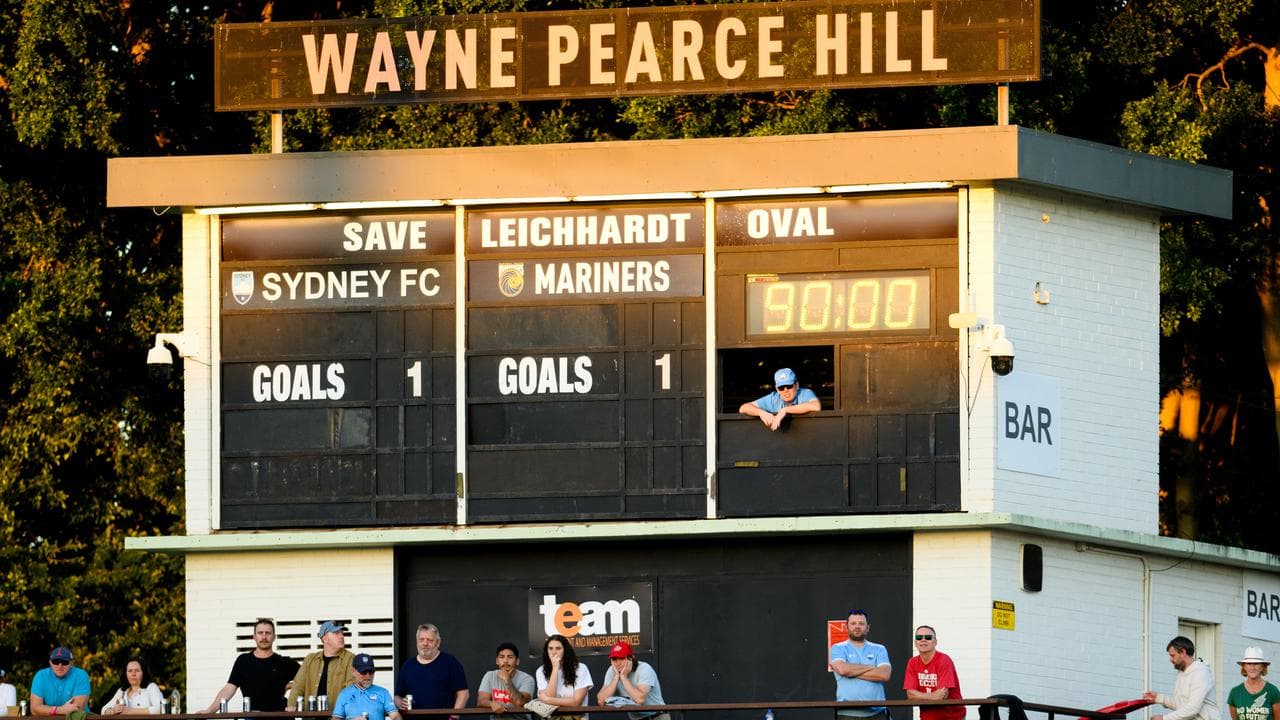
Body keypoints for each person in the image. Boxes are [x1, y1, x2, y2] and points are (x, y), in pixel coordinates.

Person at [205, 618, 300, 712]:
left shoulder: (285, 662)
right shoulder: (243, 661)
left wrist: (291, 686)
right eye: (260, 633)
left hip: (280, 716)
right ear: (254, 636)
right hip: (252, 716)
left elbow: (308, 681)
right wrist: (209, 711)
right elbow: (229, 688)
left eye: (268, 633)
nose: (264, 637)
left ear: (274, 637)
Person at [829, 609, 892, 720]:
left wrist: (851, 672)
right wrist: (872, 667)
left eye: (861, 623)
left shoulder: (879, 649)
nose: (857, 626)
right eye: (853, 623)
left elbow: (884, 675)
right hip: (847, 714)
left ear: (868, 627)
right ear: (846, 627)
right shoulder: (837, 648)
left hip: (877, 713)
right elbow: (843, 670)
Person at [394, 624, 469, 712]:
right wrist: (400, 703)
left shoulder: (450, 662)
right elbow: (397, 696)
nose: (425, 643)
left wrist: (454, 717)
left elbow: (463, 694)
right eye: (421, 640)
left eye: (430, 640)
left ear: (438, 643)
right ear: (417, 642)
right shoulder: (408, 666)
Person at [1145, 636, 1221, 720]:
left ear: (1183, 652)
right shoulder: (1182, 673)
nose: (1170, 659)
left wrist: (1164, 718)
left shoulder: (1201, 672)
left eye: (1172, 655)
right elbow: (1181, 706)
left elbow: (1192, 709)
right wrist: (1158, 698)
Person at [289, 621, 356, 710]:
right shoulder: (310, 659)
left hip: (337, 716)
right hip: (311, 716)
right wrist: (292, 705)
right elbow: (298, 685)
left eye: (342, 633)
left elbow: (351, 689)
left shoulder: (350, 659)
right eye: (336, 633)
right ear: (325, 638)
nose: (341, 636)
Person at [903, 626, 964, 720]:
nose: (923, 640)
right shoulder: (912, 662)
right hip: (927, 717)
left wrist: (919, 696)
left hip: (952, 717)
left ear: (935, 642)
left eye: (928, 637)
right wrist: (933, 696)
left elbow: (942, 696)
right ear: (915, 643)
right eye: (919, 637)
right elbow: (910, 695)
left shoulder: (944, 660)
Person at [597, 641, 668, 720]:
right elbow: (601, 700)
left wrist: (623, 677)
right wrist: (616, 677)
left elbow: (640, 699)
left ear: (631, 658)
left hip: (656, 716)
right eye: (614, 659)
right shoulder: (612, 671)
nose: (617, 663)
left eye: (621, 658)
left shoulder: (644, 668)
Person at [738, 367, 820, 431]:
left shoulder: (805, 393)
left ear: (797, 385)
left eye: (789, 386)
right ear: (777, 389)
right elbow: (743, 408)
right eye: (781, 387)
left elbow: (816, 406)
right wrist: (761, 413)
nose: (785, 390)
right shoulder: (773, 398)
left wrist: (785, 410)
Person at [535, 635, 593, 719]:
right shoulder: (541, 670)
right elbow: (550, 695)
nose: (554, 652)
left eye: (558, 648)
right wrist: (555, 669)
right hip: (552, 717)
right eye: (550, 648)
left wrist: (547, 700)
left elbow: (576, 702)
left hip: (577, 717)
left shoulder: (580, 668)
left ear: (565, 650)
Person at [332, 653, 400, 720]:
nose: (368, 676)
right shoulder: (344, 694)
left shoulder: (383, 692)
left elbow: (395, 716)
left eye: (371, 672)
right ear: (353, 671)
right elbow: (335, 718)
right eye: (363, 672)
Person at [477, 643, 536, 719]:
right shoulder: (490, 675)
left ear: (517, 661)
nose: (505, 661)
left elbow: (520, 703)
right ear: (497, 661)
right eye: (501, 657)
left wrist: (507, 680)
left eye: (510, 657)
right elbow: (481, 701)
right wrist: (491, 703)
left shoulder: (527, 679)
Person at [30, 647, 91, 716]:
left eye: (65, 662)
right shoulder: (41, 676)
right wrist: (60, 710)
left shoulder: (80, 675)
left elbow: (76, 709)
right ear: (50, 662)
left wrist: (46, 710)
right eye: (56, 662)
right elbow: (34, 709)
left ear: (71, 663)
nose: (60, 666)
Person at [1227, 647, 1280, 720]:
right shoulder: (1235, 692)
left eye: (1256, 663)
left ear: (1262, 667)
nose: (1252, 667)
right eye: (1249, 663)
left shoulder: (1273, 691)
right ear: (1244, 666)